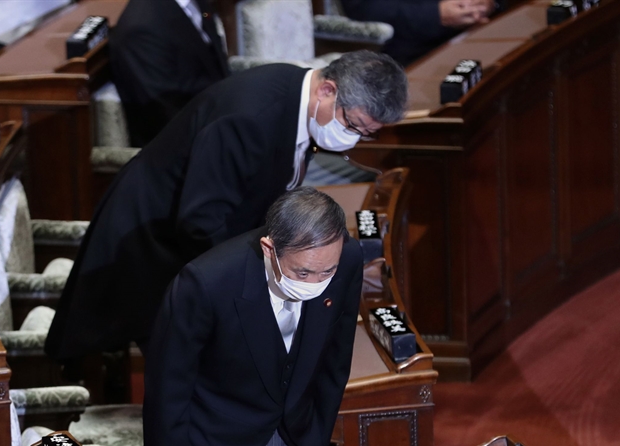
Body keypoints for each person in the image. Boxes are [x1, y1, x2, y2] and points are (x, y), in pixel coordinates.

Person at [45, 50, 407, 361]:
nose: (354, 139)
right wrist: (266, 277)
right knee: (178, 362)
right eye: (353, 125)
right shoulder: (250, 117)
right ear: (327, 90)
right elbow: (200, 221)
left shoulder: (299, 97)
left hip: (186, 233)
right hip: (149, 241)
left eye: (367, 133)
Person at [144, 187, 362, 446]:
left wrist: (311, 445)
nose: (316, 284)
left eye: (325, 273)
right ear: (269, 248)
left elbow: (336, 359)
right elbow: (168, 384)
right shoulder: (205, 282)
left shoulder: (346, 261)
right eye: (303, 273)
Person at [110, 0, 229, 147]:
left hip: (218, 116)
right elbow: (166, 114)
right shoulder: (141, 30)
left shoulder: (196, 4)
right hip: (189, 147)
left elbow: (215, 67)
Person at [342, 0, 496, 66]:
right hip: (410, 50)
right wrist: (436, 15)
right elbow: (363, 8)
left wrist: (486, 3)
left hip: (484, 34)